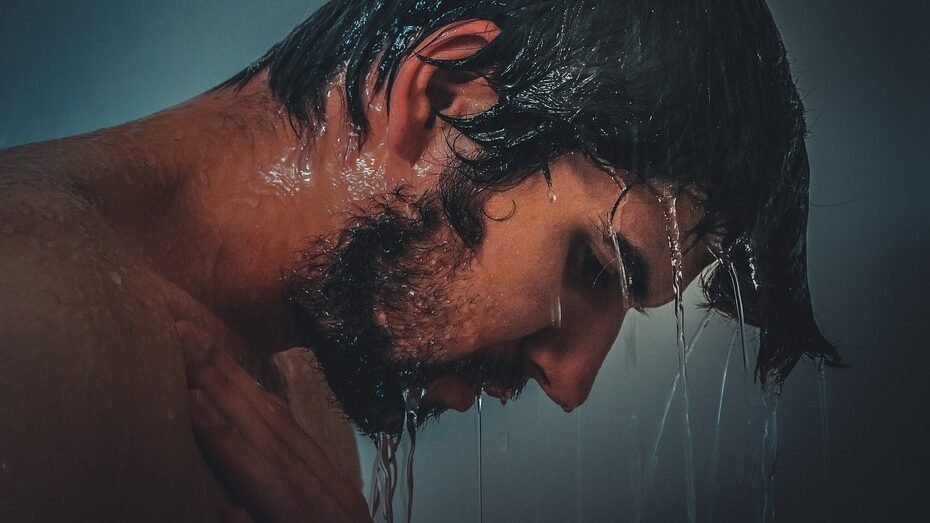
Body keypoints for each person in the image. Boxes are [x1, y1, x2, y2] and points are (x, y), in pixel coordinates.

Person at [0, 1, 841, 521]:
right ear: (442, 92)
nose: (573, 381)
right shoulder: (29, 329)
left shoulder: (296, 395)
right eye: (592, 266)